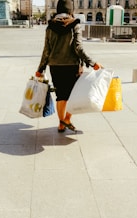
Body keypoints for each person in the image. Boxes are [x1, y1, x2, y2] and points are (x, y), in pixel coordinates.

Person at [36, 0, 102, 133]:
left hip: (55, 66)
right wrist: (92, 63)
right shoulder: (74, 25)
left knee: (61, 95)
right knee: (73, 95)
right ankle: (66, 119)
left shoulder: (50, 27)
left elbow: (46, 50)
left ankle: (61, 124)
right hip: (72, 66)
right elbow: (78, 49)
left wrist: (40, 69)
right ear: (71, 10)